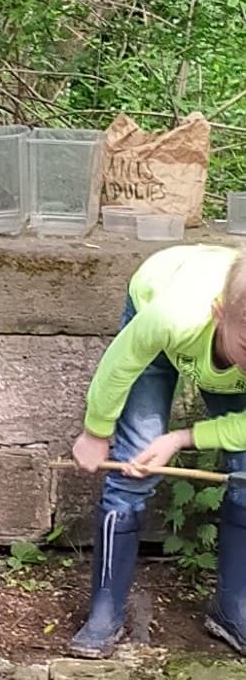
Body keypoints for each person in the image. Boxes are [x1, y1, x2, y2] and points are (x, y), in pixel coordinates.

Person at [68, 243, 246, 658]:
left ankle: (231, 608)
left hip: (211, 344)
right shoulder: (172, 314)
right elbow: (122, 363)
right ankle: (105, 613)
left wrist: (182, 438)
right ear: (221, 313)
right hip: (162, 300)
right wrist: (96, 431)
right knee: (136, 458)